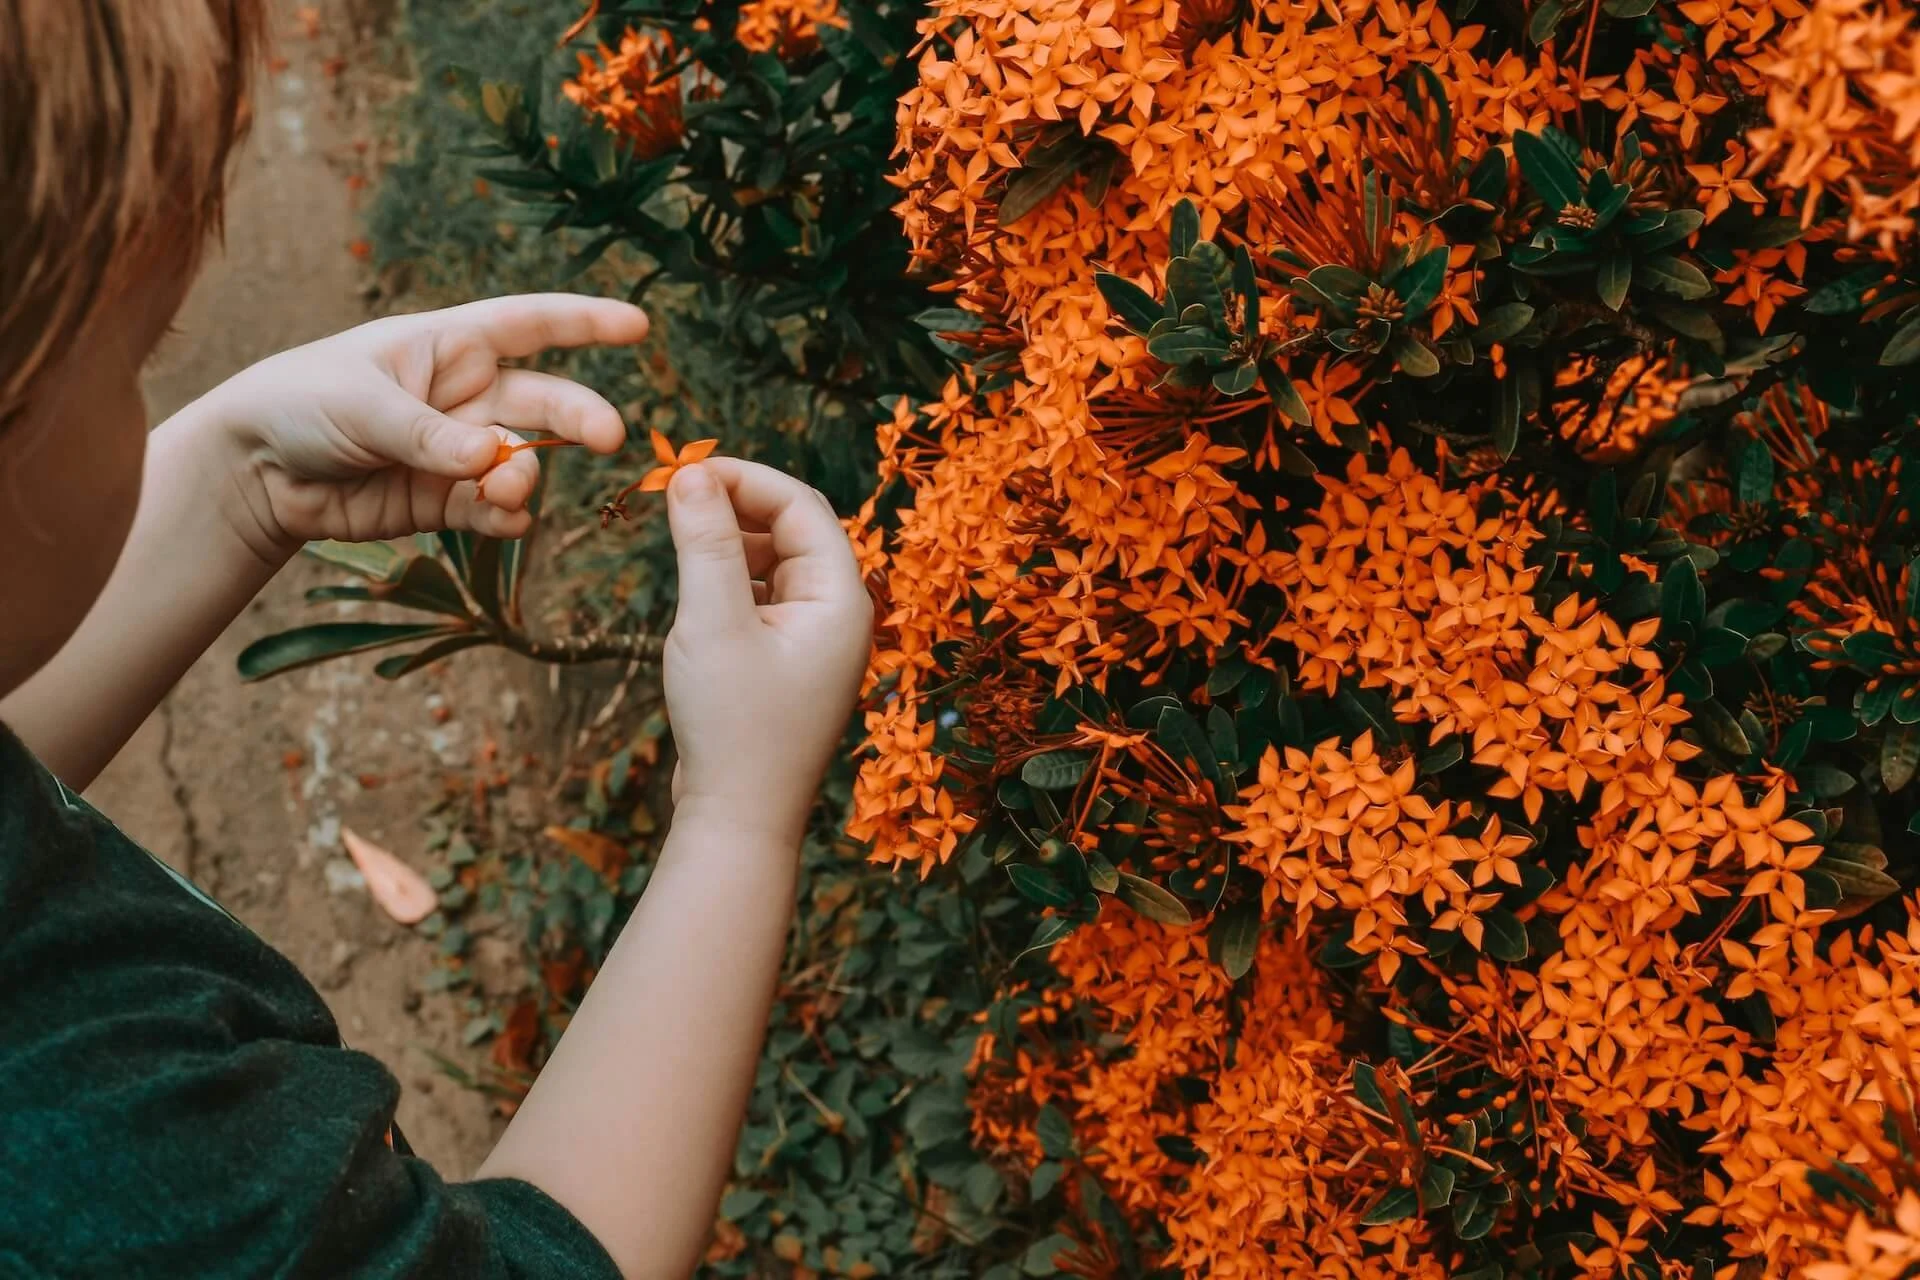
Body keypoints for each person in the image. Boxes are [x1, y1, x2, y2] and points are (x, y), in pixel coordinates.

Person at [0, 2, 874, 1276]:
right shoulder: (115, 1157)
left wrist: (243, 478)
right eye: (142, 358)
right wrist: (738, 814)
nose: (156, 394)